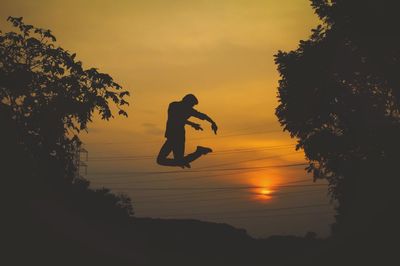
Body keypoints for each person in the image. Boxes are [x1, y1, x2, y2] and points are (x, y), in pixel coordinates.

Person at [157, 94, 218, 168]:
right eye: (192, 104)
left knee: (162, 160)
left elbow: (202, 116)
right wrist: (193, 124)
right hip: (175, 135)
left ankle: (197, 153)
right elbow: (177, 118)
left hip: (177, 136)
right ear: (186, 101)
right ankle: (194, 155)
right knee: (173, 160)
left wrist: (212, 122)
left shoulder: (186, 109)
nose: (192, 107)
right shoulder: (174, 106)